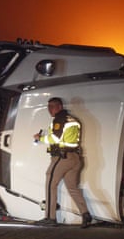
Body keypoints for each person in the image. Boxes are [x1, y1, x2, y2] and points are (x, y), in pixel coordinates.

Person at [33, 97, 92, 228]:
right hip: (75, 158)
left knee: (50, 184)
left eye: (52, 106)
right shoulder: (73, 120)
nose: (50, 110)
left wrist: (40, 138)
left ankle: (50, 218)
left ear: (60, 107)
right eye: (49, 107)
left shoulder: (60, 119)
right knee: (72, 188)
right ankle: (86, 214)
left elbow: (55, 138)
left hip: (62, 157)